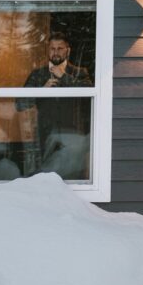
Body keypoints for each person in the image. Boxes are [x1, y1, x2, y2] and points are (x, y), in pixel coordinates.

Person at [16, 32, 93, 180]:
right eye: (52, 48)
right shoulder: (37, 74)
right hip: (44, 138)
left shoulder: (79, 72)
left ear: (68, 50)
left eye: (60, 48)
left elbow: (87, 98)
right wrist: (42, 90)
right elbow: (20, 104)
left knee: (72, 179)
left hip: (73, 137)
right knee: (43, 180)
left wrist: (63, 77)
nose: (55, 52)